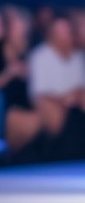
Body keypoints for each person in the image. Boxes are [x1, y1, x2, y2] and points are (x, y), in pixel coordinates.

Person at [27, 14, 85, 157]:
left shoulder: (78, 57)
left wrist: (75, 96)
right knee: (53, 111)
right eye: (60, 33)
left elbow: (81, 87)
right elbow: (39, 93)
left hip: (76, 103)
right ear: (51, 34)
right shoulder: (39, 56)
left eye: (67, 32)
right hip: (51, 104)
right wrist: (65, 99)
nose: (64, 36)